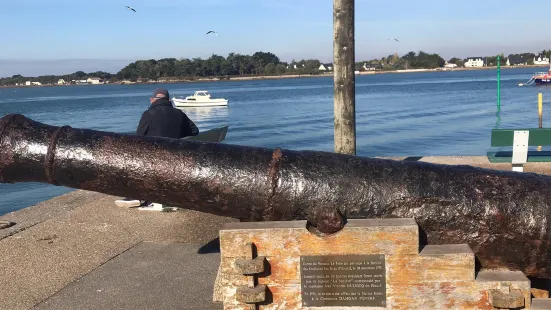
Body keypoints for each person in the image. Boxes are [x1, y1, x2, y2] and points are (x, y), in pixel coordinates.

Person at [115, 88, 199, 209]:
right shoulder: (179, 113)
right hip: (176, 155)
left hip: (154, 156)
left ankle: (136, 196)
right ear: (169, 100)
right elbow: (195, 131)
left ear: (152, 100)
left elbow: (139, 137)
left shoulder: (148, 114)